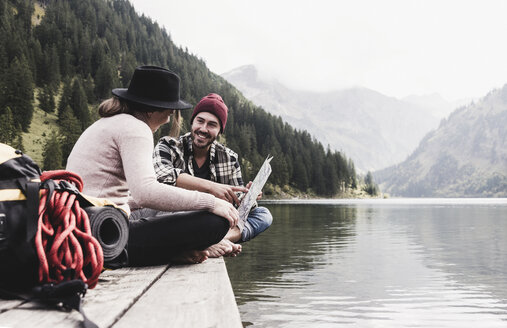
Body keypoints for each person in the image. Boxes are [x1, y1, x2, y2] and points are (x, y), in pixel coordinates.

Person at [66, 66, 239, 266]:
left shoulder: (111, 122)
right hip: (101, 233)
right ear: (150, 109)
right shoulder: (136, 128)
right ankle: (170, 251)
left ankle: (172, 252)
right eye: (169, 111)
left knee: (176, 208)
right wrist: (211, 202)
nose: (168, 119)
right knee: (215, 222)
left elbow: (114, 195)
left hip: (84, 223)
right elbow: (145, 192)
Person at [153, 93, 273, 256]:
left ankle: (218, 240)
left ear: (219, 131)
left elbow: (237, 210)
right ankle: (207, 241)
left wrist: (247, 197)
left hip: (210, 222)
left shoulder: (229, 158)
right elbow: (162, 176)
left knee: (263, 215)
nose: (203, 129)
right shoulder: (168, 145)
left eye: (211, 124)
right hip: (176, 216)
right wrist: (211, 188)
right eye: (200, 121)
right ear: (192, 121)